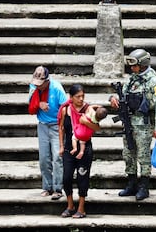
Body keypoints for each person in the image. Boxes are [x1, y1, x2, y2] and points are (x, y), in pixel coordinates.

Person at [109, 49, 156, 201]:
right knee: (128, 154)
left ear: (142, 64)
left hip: (144, 124)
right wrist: (114, 99)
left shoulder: (154, 81)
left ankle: (144, 186)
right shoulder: (132, 79)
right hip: (129, 122)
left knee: (143, 156)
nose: (131, 68)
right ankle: (131, 183)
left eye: (134, 65)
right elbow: (123, 95)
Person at [58, 84, 101, 218]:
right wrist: (61, 146)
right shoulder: (65, 110)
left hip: (85, 148)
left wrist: (85, 121)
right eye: (78, 97)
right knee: (66, 178)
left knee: (83, 178)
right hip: (68, 149)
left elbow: (97, 128)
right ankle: (70, 205)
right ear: (71, 97)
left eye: (83, 96)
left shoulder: (88, 109)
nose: (81, 99)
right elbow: (61, 128)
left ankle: (81, 208)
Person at [28, 66, 67, 200]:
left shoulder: (56, 88)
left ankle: (58, 188)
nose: (38, 86)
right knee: (44, 158)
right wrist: (39, 104)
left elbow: (65, 107)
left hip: (57, 125)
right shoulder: (34, 87)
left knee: (57, 157)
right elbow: (30, 106)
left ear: (47, 80)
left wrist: (63, 127)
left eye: (41, 84)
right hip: (43, 125)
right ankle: (47, 186)